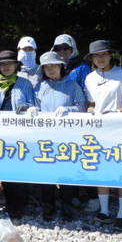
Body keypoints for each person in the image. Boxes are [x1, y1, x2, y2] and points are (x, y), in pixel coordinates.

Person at [82, 40, 122, 230]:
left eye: (103, 54)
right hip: (98, 130)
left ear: (110, 55)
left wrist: (119, 113)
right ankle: (104, 211)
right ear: (91, 58)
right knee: (102, 170)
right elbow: (90, 103)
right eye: (96, 56)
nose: (100, 58)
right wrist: (90, 110)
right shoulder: (90, 78)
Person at [31, 51, 86, 221]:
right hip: (45, 137)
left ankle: (66, 204)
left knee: (66, 171)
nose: (51, 70)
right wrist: (30, 109)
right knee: (47, 171)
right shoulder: (40, 87)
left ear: (61, 66)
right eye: (47, 67)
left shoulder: (73, 86)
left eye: (54, 65)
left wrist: (68, 110)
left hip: (68, 137)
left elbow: (82, 109)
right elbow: (35, 106)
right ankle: (48, 205)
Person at [0, 50, 35, 221]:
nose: (6, 67)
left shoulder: (25, 83)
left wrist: (27, 107)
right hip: (0, 132)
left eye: (10, 63)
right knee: (4, 167)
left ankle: (20, 203)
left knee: (19, 167)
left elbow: (33, 104)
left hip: (20, 133)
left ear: (16, 66)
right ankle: (10, 201)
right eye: (2, 64)